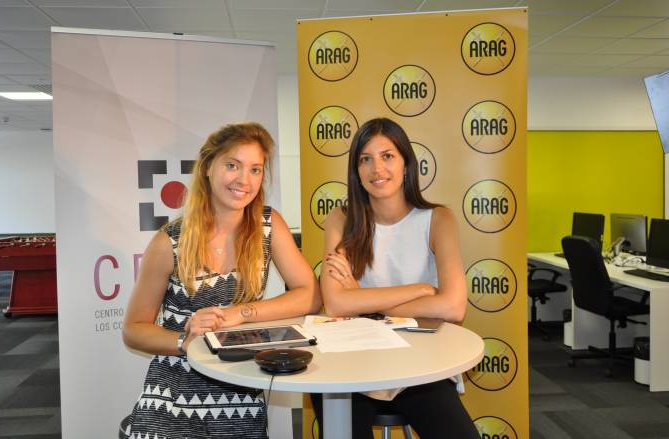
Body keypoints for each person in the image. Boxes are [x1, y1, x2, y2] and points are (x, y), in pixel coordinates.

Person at [120, 122, 321, 439]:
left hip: (241, 394)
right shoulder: (169, 242)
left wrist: (241, 313)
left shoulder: (268, 225)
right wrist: (184, 342)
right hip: (174, 399)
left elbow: (310, 295)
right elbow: (133, 330)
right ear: (207, 167)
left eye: (255, 169)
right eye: (232, 165)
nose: (244, 180)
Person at [314, 117, 479, 439]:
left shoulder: (438, 219)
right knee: (335, 417)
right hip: (354, 360)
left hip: (421, 362)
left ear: (406, 164)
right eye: (365, 159)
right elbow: (335, 304)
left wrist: (362, 301)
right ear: (356, 171)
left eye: (387, 156)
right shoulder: (341, 219)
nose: (377, 168)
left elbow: (453, 307)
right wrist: (422, 291)